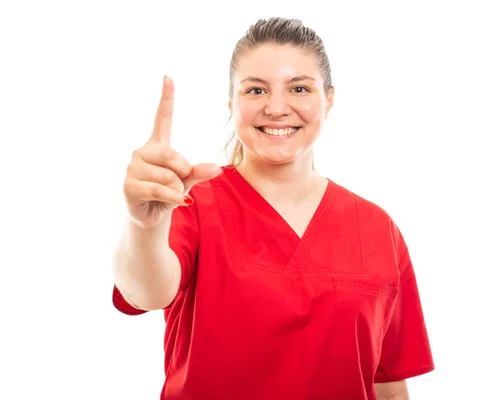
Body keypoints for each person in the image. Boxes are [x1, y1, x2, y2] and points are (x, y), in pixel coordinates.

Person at [111, 17, 434, 400]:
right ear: (232, 102)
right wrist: (144, 225)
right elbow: (146, 293)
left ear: (328, 98)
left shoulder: (378, 230)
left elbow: (389, 387)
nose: (277, 108)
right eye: (256, 90)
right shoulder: (191, 203)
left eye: (299, 88)